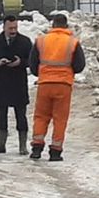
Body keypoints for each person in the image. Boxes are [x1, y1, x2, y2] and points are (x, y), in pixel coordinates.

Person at [28, 13, 86, 162]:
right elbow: (79, 65)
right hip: (63, 85)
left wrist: (42, 73)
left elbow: (33, 64)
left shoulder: (41, 41)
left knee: (41, 116)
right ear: (66, 26)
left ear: (52, 25)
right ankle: (55, 151)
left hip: (44, 84)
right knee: (60, 119)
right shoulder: (72, 42)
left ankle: (36, 147)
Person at [0, 16, 33, 155]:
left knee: (21, 115)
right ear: (4, 27)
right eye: (10, 28)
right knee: (1, 115)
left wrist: (20, 62)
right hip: (1, 83)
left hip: (18, 83)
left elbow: (32, 60)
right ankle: (1, 144)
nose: (13, 31)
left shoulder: (24, 41)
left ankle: (23, 146)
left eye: (15, 28)